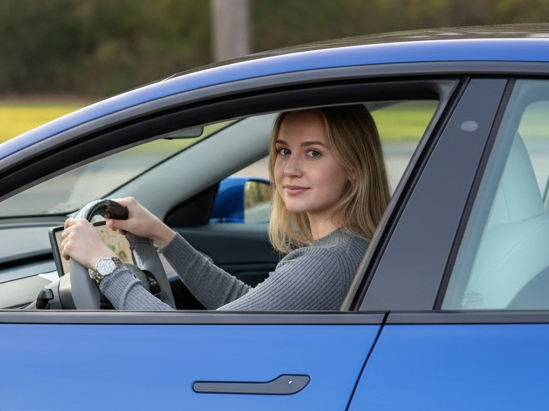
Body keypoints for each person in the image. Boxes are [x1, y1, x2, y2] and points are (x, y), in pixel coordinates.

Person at [59, 104, 391, 311]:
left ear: (354, 166)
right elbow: (243, 307)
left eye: (313, 153)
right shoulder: (350, 248)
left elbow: (189, 348)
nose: (289, 169)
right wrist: (162, 234)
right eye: (284, 151)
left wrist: (106, 267)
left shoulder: (328, 262)